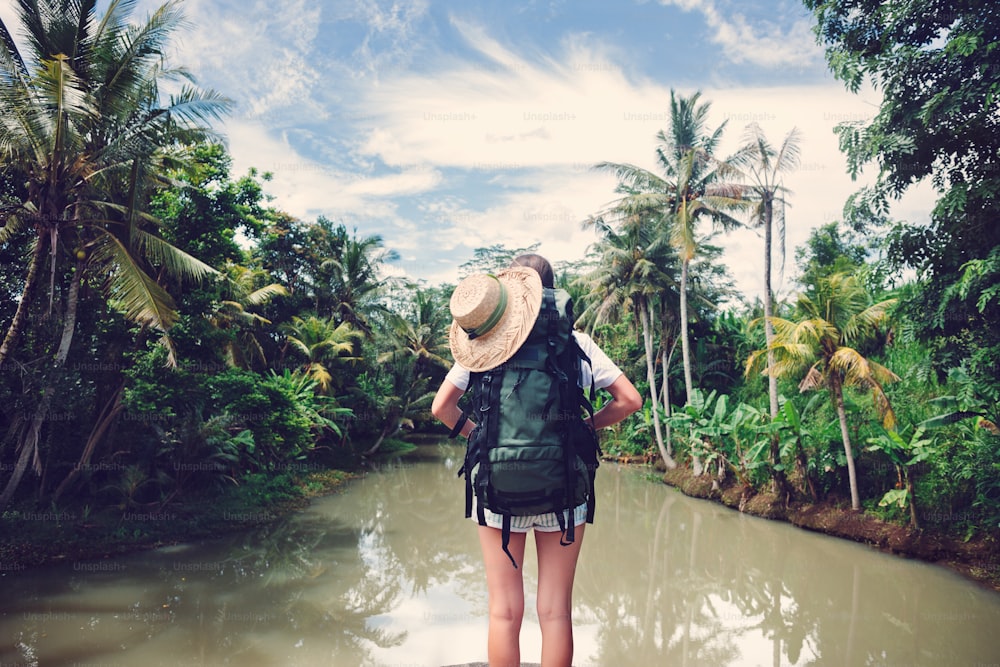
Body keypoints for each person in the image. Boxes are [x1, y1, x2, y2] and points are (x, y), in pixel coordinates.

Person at [431, 253, 642, 667]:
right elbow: (630, 400)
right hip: (563, 490)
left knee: (504, 612)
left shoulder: (482, 347)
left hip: (496, 491)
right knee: (555, 611)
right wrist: (583, 430)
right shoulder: (575, 343)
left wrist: (481, 438)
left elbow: (442, 408)